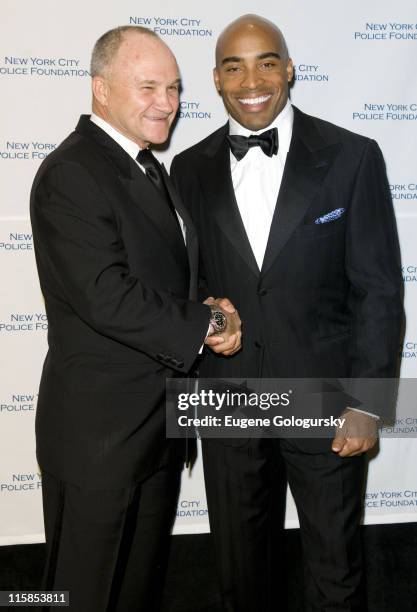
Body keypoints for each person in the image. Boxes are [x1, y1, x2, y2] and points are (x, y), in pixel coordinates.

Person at [171, 14, 403, 612]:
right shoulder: (187, 169)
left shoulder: (353, 157)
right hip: (227, 399)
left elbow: (378, 290)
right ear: (216, 81)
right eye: (233, 65)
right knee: (241, 576)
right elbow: (182, 286)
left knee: (334, 572)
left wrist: (369, 403)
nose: (252, 78)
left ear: (290, 69)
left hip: (326, 398)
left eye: (266, 61)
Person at [30, 25, 241, 612]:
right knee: (80, 597)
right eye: (148, 86)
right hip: (99, 440)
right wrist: (204, 328)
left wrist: (208, 307)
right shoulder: (73, 172)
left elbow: (162, 279)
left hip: (156, 433)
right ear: (100, 89)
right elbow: (105, 295)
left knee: (136, 594)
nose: (167, 103)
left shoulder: (149, 169)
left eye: (174, 88)